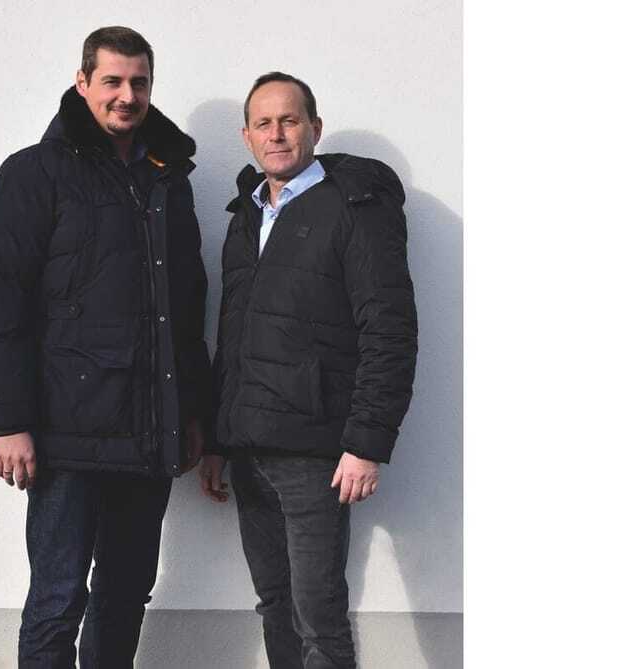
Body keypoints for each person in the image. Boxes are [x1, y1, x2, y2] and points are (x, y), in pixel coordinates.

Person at [0, 26, 212, 668]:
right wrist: (9, 422)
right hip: (64, 435)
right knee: (57, 598)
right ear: (83, 83)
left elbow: (186, 306)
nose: (127, 96)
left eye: (139, 82)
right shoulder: (34, 172)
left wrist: (193, 413)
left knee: (125, 594)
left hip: (150, 431)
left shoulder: (169, 179)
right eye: (112, 81)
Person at [201, 72, 418, 668]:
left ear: (314, 128)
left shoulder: (354, 208)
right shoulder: (247, 215)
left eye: (289, 120)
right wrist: (217, 440)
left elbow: (389, 329)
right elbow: (232, 334)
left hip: (314, 454)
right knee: (275, 605)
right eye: (263, 123)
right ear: (247, 136)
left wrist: (366, 443)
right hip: (249, 450)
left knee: (318, 616)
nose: (276, 134)